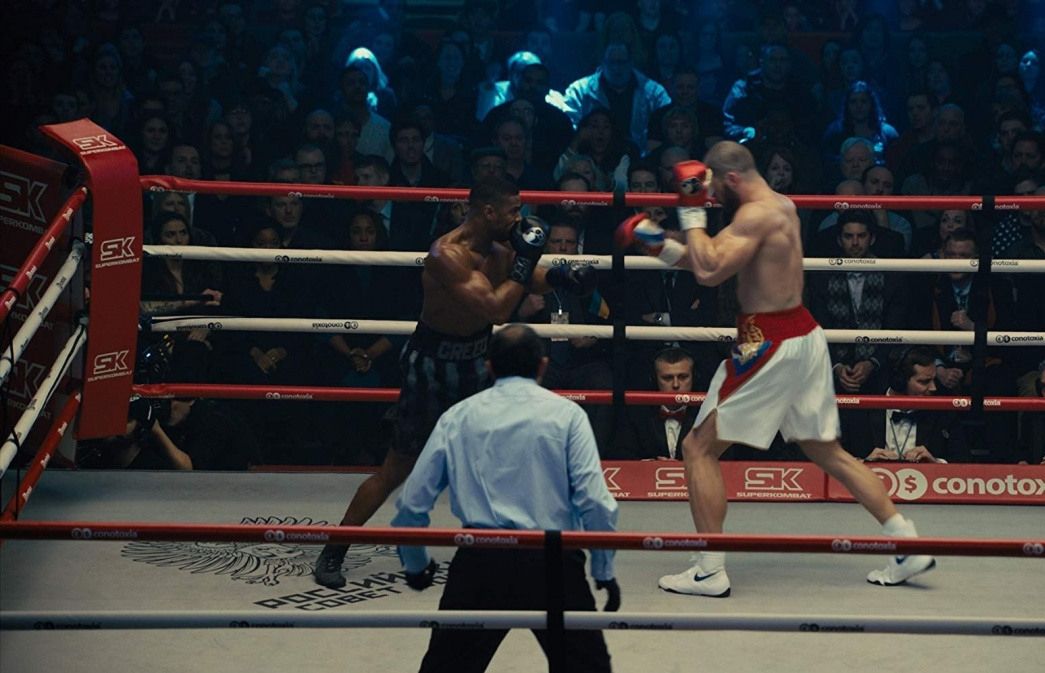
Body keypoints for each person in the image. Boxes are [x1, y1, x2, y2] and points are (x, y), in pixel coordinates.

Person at [615, 141, 935, 596]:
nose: (711, 199)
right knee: (827, 451)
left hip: (768, 343)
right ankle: (906, 542)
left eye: (713, 191)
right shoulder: (778, 205)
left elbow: (708, 271)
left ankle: (709, 569)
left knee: (697, 448)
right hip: (800, 334)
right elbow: (713, 258)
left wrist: (690, 211)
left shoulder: (754, 215)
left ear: (730, 179)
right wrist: (657, 243)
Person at [314, 177, 598, 588]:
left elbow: (527, 276)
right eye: (512, 210)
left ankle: (519, 554)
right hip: (432, 366)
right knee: (397, 467)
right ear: (488, 211)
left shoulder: (501, 245)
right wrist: (526, 261)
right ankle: (334, 548)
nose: (519, 218)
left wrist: (563, 278)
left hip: (478, 363)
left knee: (504, 460)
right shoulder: (445, 254)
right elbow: (496, 308)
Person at [391, 323, 618, 673]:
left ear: (489, 367)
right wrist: (603, 568)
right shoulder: (567, 415)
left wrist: (416, 565)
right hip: (553, 559)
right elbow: (595, 501)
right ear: (542, 366)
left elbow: (412, 503)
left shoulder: (459, 417)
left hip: (481, 559)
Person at [841, 347, 963, 464]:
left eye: (934, 380)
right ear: (900, 382)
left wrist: (935, 463)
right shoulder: (861, 412)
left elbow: (964, 462)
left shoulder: (943, 413)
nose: (933, 388)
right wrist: (865, 463)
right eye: (924, 382)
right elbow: (836, 460)